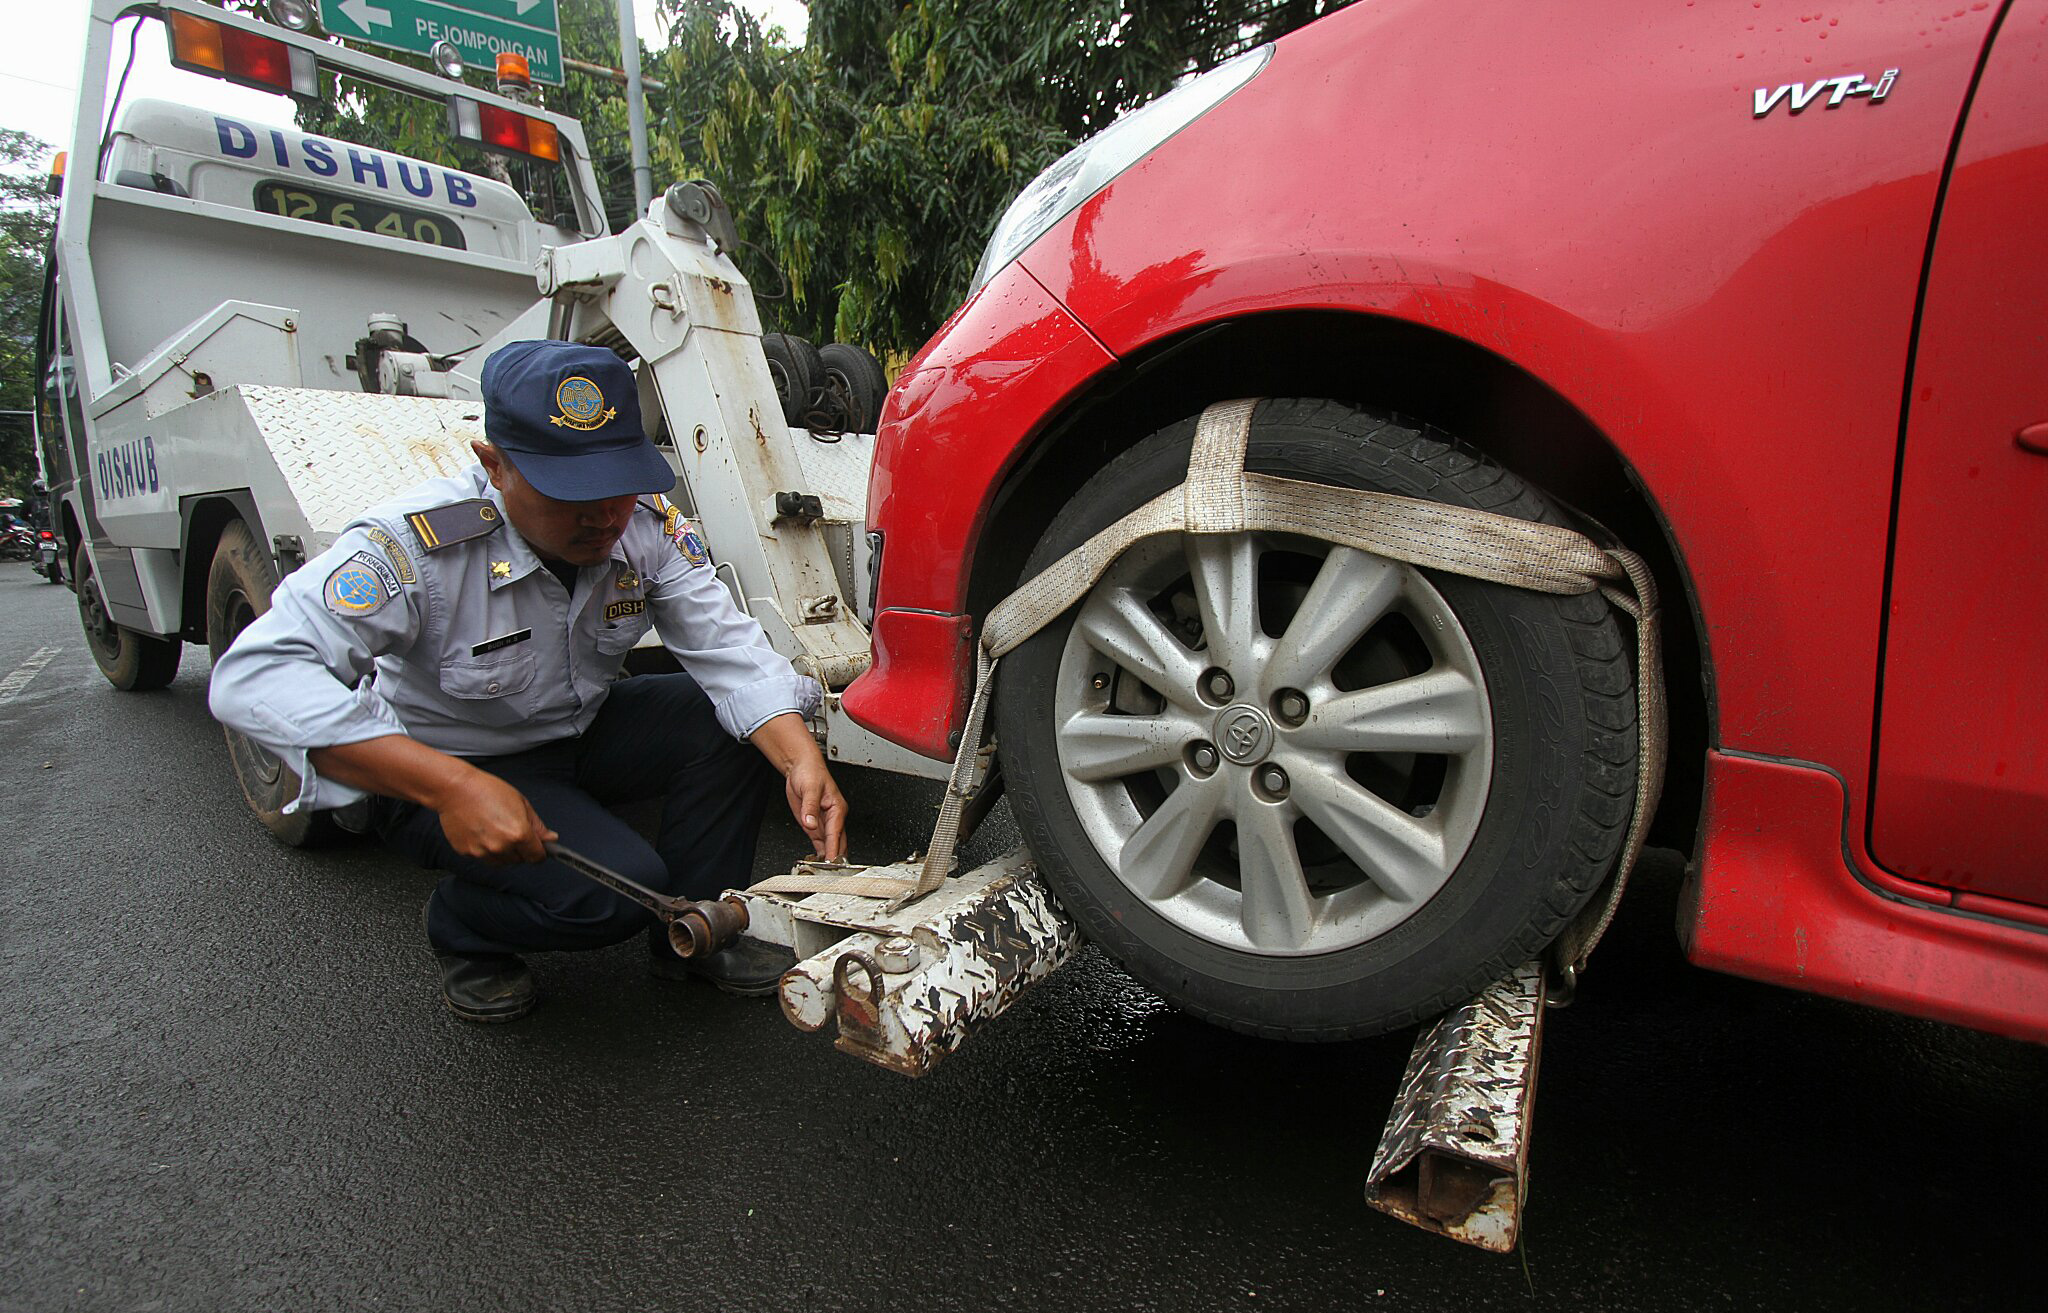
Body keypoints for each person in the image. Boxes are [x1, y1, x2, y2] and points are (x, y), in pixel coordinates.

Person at [210, 340, 848, 1023]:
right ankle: (463, 928)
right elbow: (251, 676)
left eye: (618, 484)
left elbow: (727, 649)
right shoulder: (414, 548)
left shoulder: (642, 526)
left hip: (576, 732)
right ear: (495, 465)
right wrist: (449, 785)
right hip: (449, 763)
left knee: (727, 722)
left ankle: (692, 932)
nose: (604, 516)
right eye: (572, 493)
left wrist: (800, 757)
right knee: (611, 899)